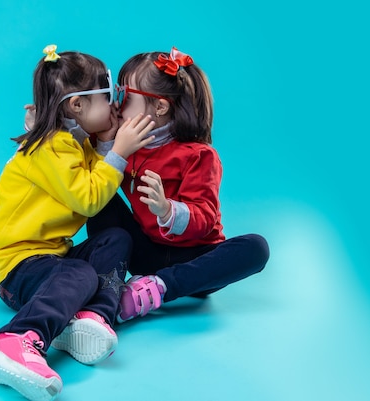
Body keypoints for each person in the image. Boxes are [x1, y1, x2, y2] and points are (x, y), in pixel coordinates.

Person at [0, 44, 155, 401]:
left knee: (115, 239)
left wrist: (104, 141)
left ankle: (90, 318)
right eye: (108, 95)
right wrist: (118, 151)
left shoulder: (70, 142)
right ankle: (15, 339)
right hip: (14, 266)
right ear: (76, 106)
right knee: (79, 274)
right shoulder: (50, 146)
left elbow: (90, 176)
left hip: (48, 259)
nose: (115, 104)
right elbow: (88, 198)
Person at [86, 47, 270, 323]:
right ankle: (108, 287)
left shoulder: (199, 155)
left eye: (125, 96)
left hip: (196, 260)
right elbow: (91, 170)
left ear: (160, 107)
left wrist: (166, 210)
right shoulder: (127, 146)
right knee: (99, 199)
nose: (117, 104)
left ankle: (156, 289)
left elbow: (205, 218)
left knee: (256, 248)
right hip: (147, 253)